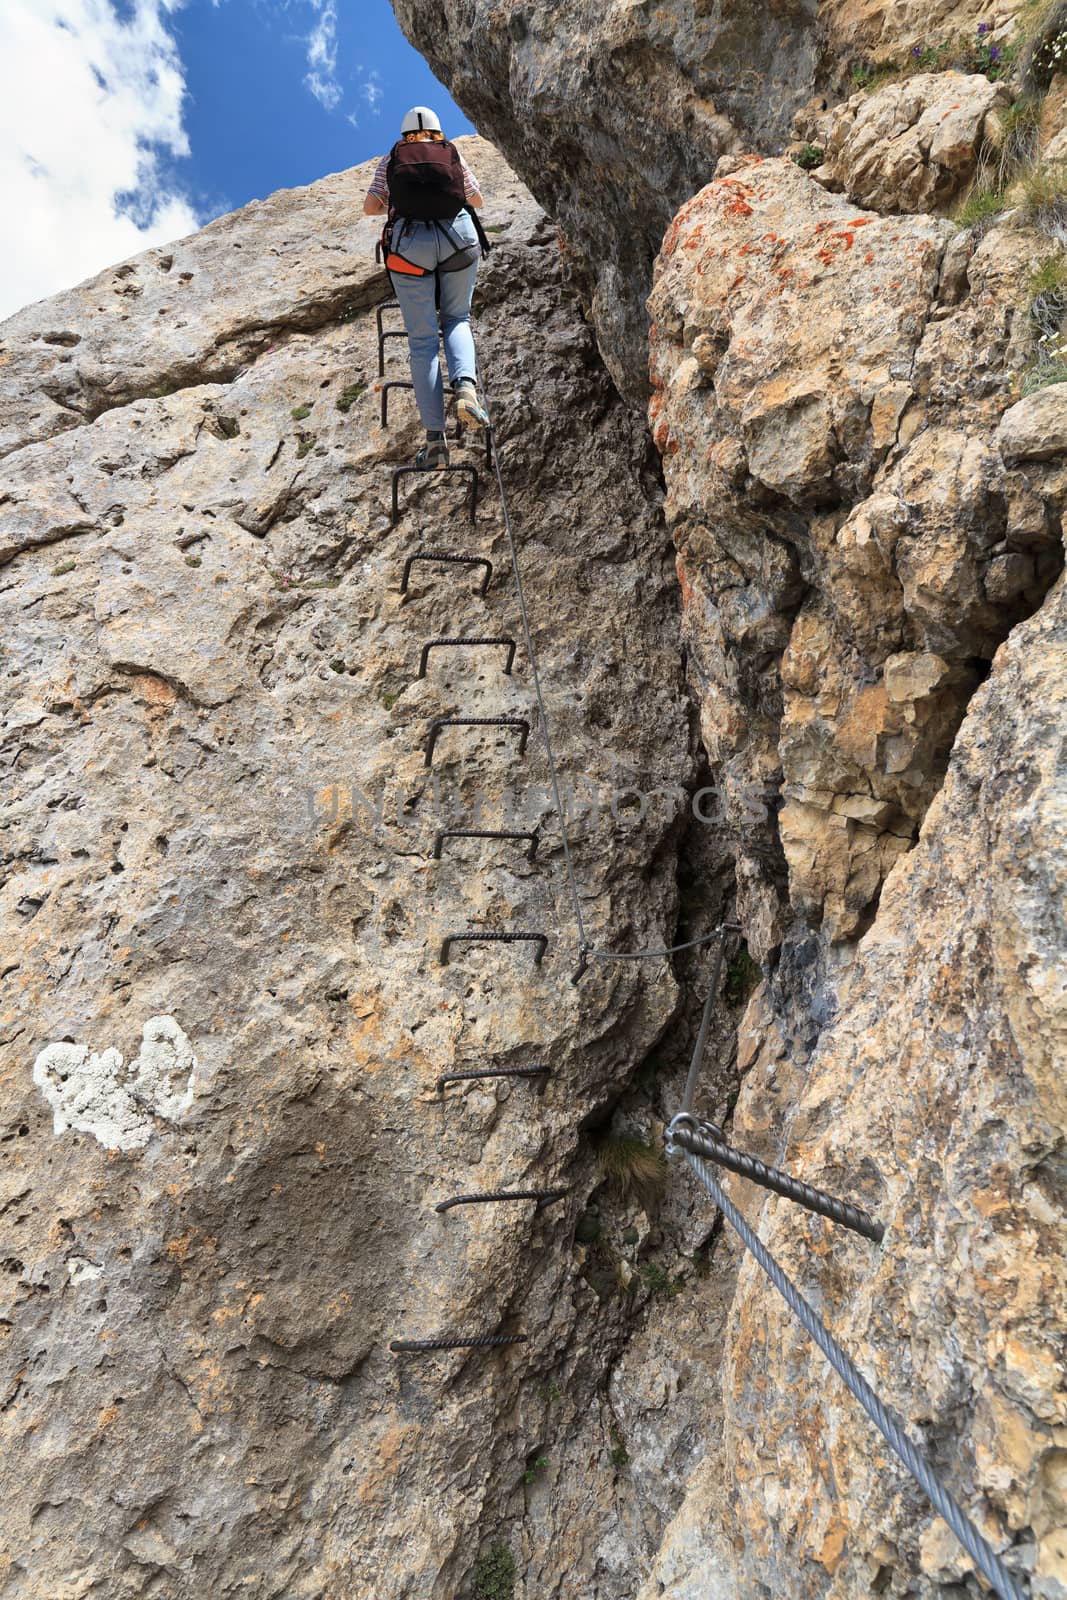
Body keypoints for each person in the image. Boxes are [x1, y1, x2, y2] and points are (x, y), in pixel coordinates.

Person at [363, 107, 491, 469]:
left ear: (405, 136)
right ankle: (466, 387)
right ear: (437, 132)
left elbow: (369, 207)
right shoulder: (451, 151)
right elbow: (476, 199)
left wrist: (398, 201)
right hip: (459, 239)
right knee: (457, 318)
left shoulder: (392, 158)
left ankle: (436, 444)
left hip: (409, 247)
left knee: (422, 342)